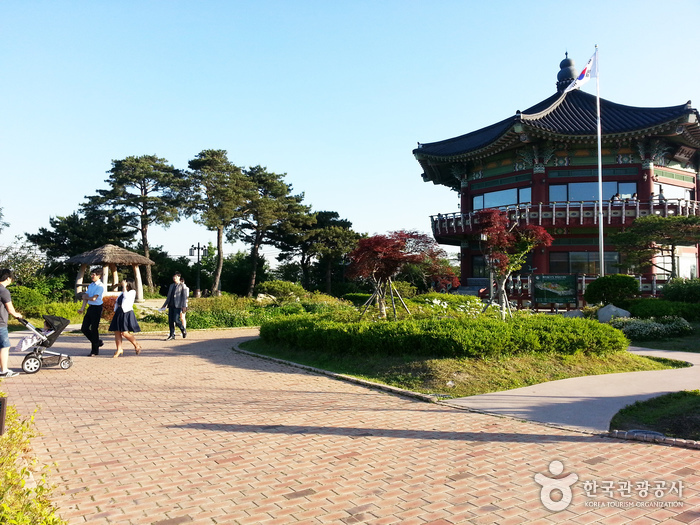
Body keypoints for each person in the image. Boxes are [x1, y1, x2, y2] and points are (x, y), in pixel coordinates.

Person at [109, 279, 142, 358]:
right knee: (116, 331)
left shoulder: (132, 292)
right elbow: (120, 300)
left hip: (126, 313)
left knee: (124, 333)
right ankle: (119, 349)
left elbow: (126, 296)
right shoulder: (123, 291)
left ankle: (136, 344)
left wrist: (124, 287)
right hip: (119, 312)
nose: (123, 284)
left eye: (125, 283)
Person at [0, 269, 23, 378]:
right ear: (8, 278)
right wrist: (17, 314)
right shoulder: (4, 291)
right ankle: (4, 370)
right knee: (5, 346)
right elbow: (10, 309)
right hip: (0, 323)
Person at [78, 268, 105, 356]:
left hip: (97, 308)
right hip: (90, 308)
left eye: (93, 275)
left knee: (94, 329)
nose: (92, 276)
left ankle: (94, 350)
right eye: (91, 274)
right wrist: (82, 308)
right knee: (84, 328)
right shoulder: (91, 285)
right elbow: (86, 297)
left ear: (98, 276)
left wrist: (86, 297)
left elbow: (94, 298)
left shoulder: (100, 286)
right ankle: (97, 342)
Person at [161, 272, 189, 341]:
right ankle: (172, 335)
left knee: (176, 319)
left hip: (178, 305)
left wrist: (184, 306)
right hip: (171, 305)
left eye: (175, 277)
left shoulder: (182, 285)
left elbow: (184, 297)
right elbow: (169, 296)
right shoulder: (171, 286)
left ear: (179, 277)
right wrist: (164, 304)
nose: (174, 278)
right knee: (170, 321)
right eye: (173, 277)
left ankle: (183, 329)